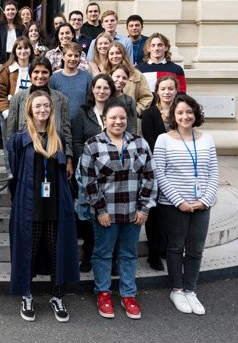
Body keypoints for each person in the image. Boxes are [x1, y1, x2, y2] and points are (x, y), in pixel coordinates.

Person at [79, 98, 157, 320]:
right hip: (106, 213)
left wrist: (144, 208)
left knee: (128, 254)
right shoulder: (93, 145)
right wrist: (100, 210)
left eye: (122, 118)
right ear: (104, 120)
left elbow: (150, 177)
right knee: (103, 254)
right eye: (113, 117)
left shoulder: (140, 143)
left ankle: (128, 295)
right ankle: (103, 292)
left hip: (134, 212)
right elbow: (89, 181)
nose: (118, 121)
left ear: (128, 120)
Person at [7, 90, 79, 322]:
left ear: (51, 109)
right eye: (38, 106)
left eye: (46, 106)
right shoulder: (20, 138)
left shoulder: (57, 136)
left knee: (56, 250)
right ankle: (27, 295)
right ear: (30, 109)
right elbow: (15, 169)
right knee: (29, 250)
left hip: (55, 204)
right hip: (30, 205)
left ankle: (57, 296)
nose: (42, 110)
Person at [153, 94, 218, 316]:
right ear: (174, 115)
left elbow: (213, 173)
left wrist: (205, 200)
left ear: (195, 114)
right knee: (175, 246)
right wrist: (179, 201)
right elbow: (159, 173)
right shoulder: (163, 139)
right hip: (173, 204)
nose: (185, 116)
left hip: (202, 204)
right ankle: (177, 290)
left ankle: (191, 289)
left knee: (196, 248)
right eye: (180, 112)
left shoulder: (207, 139)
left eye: (189, 112)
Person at [71, 75, 118, 273]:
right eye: (98, 87)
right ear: (92, 90)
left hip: (114, 171)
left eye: (106, 88)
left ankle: (113, 259)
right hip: (89, 169)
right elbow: (77, 141)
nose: (102, 91)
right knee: (91, 215)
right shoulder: (83, 113)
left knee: (113, 215)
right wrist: (90, 160)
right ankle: (88, 256)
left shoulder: (118, 111)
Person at [141, 75, 179, 271]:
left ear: (176, 90)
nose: (167, 92)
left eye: (170, 88)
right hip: (156, 167)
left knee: (172, 211)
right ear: (157, 90)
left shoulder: (180, 112)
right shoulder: (149, 114)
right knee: (155, 212)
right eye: (163, 88)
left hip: (178, 169)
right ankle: (154, 253)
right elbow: (150, 143)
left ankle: (167, 248)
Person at [6, 56, 73, 168]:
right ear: (30, 75)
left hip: (54, 155)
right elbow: (11, 133)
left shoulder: (61, 99)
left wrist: (68, 159)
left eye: (44, 72)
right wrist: (12, 162)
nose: (40, 76)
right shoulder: (17, 99)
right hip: (26, 158)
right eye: (36, 72)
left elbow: (66, 131)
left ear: (50, 75)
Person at [0, 36, 35, 168]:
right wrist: (7, 113)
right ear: (14, 51)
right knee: (13, 150)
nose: (23, 51)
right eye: (19, 48)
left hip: (34, 116)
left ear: (31, 50)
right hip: (13, 116)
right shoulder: (6, 69)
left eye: (26, 48)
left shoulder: (36, 68)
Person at [104, 42, 152, 115]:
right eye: (111, 54)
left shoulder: (136, 74)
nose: (115, 56)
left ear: (123, 54)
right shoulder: (104, 75)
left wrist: (136, 111)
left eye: (118, 53)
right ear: (107, 56)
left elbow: (147, 97)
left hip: (130, 117)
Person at [49, 43, 93, 120]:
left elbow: (90, 102)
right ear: (63, 56)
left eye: (76, 56)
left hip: (81, 123)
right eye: (69, 55)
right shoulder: (53, 79)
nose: (73, 59)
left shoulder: (87, 77)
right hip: (60, 123)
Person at [0, 0, 24, 67]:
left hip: (19, 59)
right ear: (4, 12)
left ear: (16, 11)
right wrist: (0, 62)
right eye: (8, 9)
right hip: (3, 60)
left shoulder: (22, 27)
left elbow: (25, 44)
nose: (10, 12)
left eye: (12, 9)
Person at [110, 65, 138, 134]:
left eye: (124, 78)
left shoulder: (129, 101)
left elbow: (133, 125)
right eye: (117, 76)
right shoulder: (103, 97)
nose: (120, 80)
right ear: (110, 76)